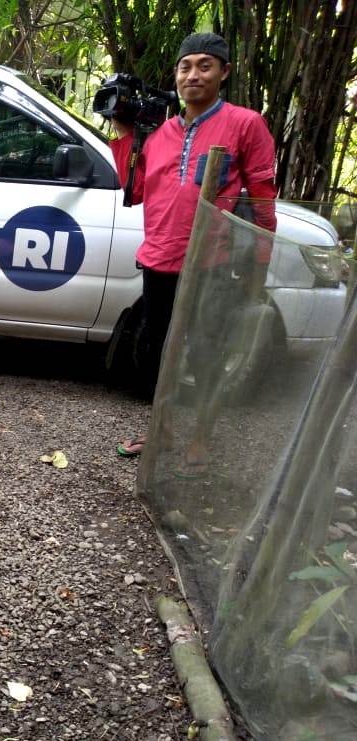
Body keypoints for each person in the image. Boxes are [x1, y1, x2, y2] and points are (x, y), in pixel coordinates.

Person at [115, 32, 277, 470]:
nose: (193, 75)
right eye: (185, 67)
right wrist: (125, 130)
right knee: (155, 352)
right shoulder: (162, 132)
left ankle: (201, 440)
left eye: (205, 65)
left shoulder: (246, 124)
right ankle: (161, 433)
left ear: (224, 72)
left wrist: (262, 258)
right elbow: (137, 191)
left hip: (212, 260)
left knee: (207, 353)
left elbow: (263, 196)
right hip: (159, 258)